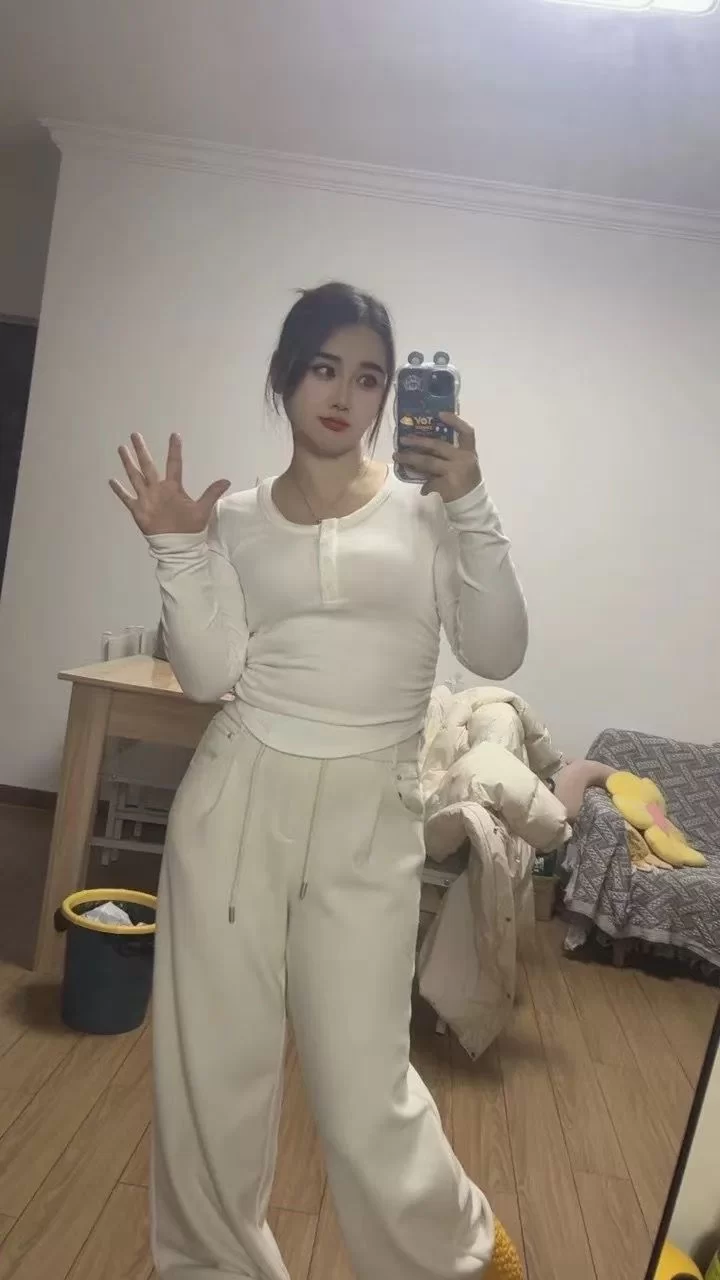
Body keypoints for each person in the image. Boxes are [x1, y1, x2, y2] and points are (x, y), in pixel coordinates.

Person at [110, 282, 528, 1280]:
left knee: (362, 1085)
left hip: (369, 813)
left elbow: (498, 649)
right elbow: (207, 674)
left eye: (369, 378)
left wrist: (471, 498)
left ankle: (460, 1256)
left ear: (390, 397)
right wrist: (178, 546)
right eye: (325, 368)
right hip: (234, 799)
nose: (344, 394)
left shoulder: (430, 514)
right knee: (212, 1074)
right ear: (287, 376)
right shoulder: (235, 519)